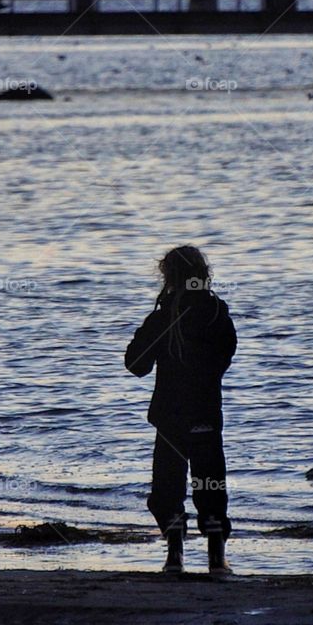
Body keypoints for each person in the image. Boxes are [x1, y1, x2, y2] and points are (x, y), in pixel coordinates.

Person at [125, 246, 237, 578]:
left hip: (170, 417)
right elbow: (224, 359)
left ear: (168, 278)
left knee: (167, 489)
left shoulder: (163, 318)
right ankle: (216, 560)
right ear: (204, 274)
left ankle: (175, 556)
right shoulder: (217, 314)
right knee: (211, 484)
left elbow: (135, 364)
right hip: (205, 414)